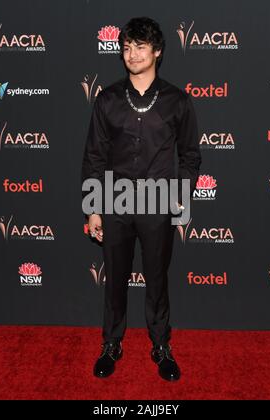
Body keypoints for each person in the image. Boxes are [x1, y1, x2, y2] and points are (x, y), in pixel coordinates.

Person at [81, 17, 201, 381]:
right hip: (114, 201)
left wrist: (179, 196)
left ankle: (161, 345)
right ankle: (111, 344)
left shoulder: (177, 101)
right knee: (115, 279)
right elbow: (94, 157)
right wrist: (94, 208)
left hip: (157, 201)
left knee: (157, 280)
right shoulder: (108, 99)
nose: (132, 54)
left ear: (157, 52)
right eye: (127, 47)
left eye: (140, 47)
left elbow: (191, 155)